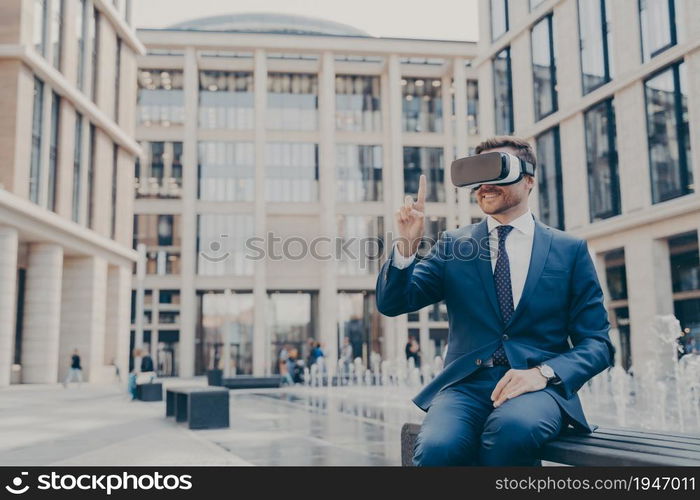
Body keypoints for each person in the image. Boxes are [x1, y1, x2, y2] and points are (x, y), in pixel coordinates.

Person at [376, 136, 615, 466]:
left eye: (497, 172)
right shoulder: (453, 245)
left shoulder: (569, 250)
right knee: (436, 448)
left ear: (529, 180)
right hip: (465, 387)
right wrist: (406, 246)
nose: (483, 186)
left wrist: (543, 373)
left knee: (511, 432)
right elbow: (392, 303)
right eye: (478, 176)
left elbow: (598, 344)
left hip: (535, 387)